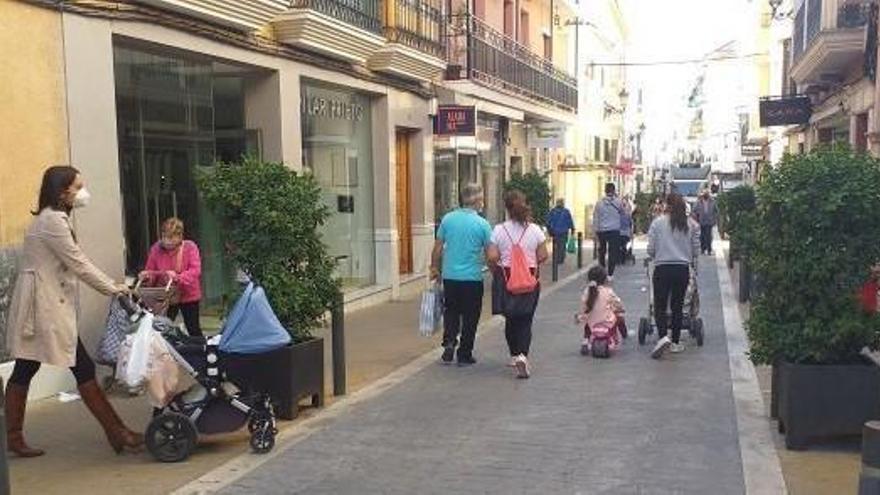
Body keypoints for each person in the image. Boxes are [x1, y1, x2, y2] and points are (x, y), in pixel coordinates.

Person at [5, 166, 144, 457]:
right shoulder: (53, 221)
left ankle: (14, 437)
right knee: (80, 367)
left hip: (42, 305)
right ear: (62, 192)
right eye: (78, 187)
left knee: (28, 367)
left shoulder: (49, 218)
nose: (83, 192)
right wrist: (113, 287)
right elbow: (78, 263)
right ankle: (118, 433)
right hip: (43, 306)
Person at [488, 190, 548, 379]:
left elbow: (492, 256)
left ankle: (514, 355)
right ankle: (523, 355)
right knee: (525, 319)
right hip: (529, 279)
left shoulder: (498, 230)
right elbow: (543, 255)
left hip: (506, 277)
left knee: (511, 319)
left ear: (506, 208)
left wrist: (495, 270)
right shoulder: (535, 230)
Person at [431, 184, 493, 366]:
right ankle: (465, 353)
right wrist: (495, 270)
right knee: (471, 316)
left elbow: (437, 247)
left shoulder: (448, 219)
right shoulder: (483, 224)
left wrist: (434, 268)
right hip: (472, 278)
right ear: (477, 200)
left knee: (451, 311)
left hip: (450, 277)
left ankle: (449, 342)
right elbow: (490, 254)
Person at [647, 193, 700, 359]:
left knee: (660, 305)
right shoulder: (691, 224)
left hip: (662, 268)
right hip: (682, 269)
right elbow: (696, 250)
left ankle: (663, 337)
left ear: (666, 205)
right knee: (678, 306)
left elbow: (651, 250)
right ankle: (676, 342)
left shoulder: (657, 223)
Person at [140, 217, 203, 337]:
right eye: (164, 236)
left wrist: (178, 277)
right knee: (162, 328)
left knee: (193, 328)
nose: (166, 241)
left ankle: (200, 352)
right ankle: (166, 352)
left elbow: (195, 271)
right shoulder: (156, 249)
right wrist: (147, 277)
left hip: (188, 295)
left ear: (180, 237)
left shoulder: (190, 247)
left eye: (170, 237)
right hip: (167, 295)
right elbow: (151, 270)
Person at [577, 265, 626, 355]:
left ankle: (585, 340)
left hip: (592, 324)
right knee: (619, 316)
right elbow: (617, 303)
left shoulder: (587, 291)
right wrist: (621, 309)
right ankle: (624, 333)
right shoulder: (608, 291)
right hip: (607, 322)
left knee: (588, 320)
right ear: (605, 279)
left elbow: (584, 306)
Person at [592, 183, 624, 279]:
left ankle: (602, 271)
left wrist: (595, 231)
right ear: (614, 191)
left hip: (601, 230)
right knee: (612, 252)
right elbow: (623, 212)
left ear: (605, 191)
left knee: (602, 251)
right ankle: (610, 273)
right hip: (614, 230)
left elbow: (595, 218)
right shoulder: (618, 202)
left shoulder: (599, 203)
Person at [547, 198, 575, 265]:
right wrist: (572, 229)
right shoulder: (566, 211)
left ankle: (556, 258)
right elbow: (570, 221)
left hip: (555, 231)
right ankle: (561, 258)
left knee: (556, 245)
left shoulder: (553, 211)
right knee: (562, 245)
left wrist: (549, 230)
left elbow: (548, 222)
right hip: (564, 231)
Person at [694, 190, 719, 256]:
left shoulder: (712, 202)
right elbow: (695, 210)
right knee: (702, 235)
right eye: (705, 194)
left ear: (708, 195)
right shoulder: (699, 202)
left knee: (708, 235)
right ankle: (703, 248)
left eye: (707, 194)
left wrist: (715, 219)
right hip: (701, 221)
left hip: (709, 221)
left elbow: (716, 211)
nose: (706, 195)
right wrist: (697, 217)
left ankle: (709, 249)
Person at [619, 196, 634, 264]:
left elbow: (631, 225)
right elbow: (631, 225)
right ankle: (622, 258)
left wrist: (631, 233)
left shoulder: (618, 215)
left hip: (622, 233)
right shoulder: (628, 215)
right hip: (624, 233)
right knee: (623, 245)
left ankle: (622, 258)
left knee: (622, 245)